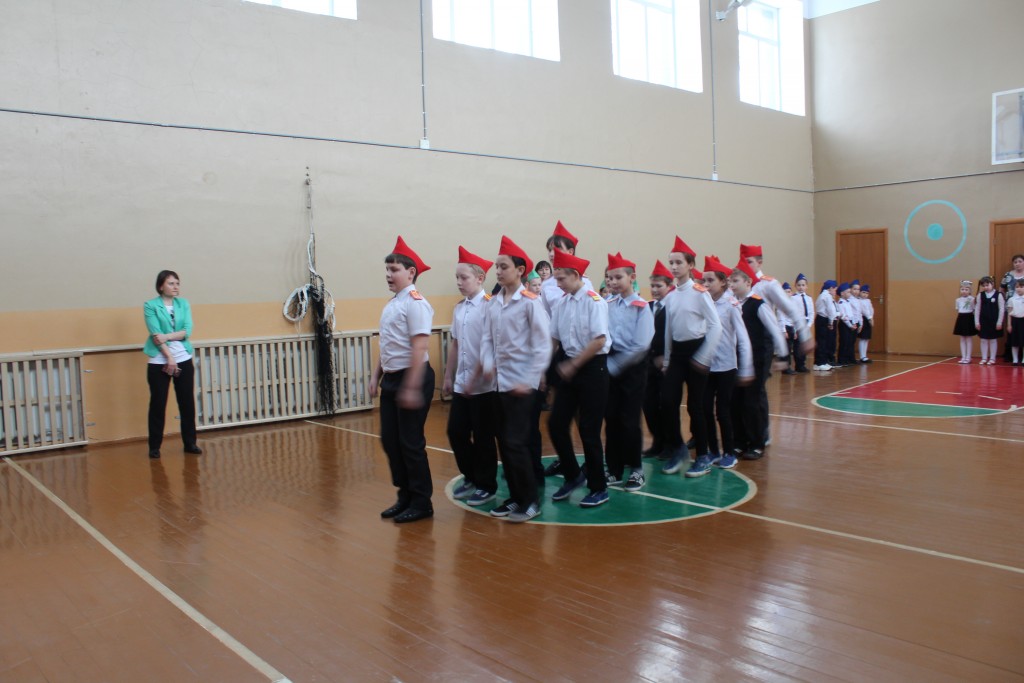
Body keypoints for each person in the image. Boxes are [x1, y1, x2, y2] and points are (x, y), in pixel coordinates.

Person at [478, 236, 552, 523]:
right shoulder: (494, 303)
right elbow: (487, 339)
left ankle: (530, 500)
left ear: (520, 270)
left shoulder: (530, 303)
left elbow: (542, 344)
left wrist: (529, 379)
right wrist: (488, 365)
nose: (498, 271)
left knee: (516, 442)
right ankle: (515, 496)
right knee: (504, 442)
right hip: (499, 384)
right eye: (497, 266)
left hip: (522, 386)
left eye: (503, 266)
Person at [371, 236, 436, 524]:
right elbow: (388, 345)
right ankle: (405, 495)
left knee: (410, 442)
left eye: (394, 269)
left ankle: (421, 502)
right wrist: (376, 376)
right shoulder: (392, 303)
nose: (388, 274)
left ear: (410, 273)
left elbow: (419, 346)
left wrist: (411, 386)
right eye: (387, 269)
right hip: (392, 378)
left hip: (413, 376)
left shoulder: (415, 303)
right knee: (390, 440)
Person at [548, 248, 612, 508]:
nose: (558, 284)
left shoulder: (594, 302)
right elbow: (553, 339)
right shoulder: (562, 303)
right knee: (556, 424)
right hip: (569, 366)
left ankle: (599, 487)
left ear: (575, 275)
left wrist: (573, 365)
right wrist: (541, 368)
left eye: (561, 278)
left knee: (588, 430)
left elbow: (599, 340)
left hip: (592, 369)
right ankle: (573, 475)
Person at [443, 246, 499, 508]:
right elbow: (455, 344)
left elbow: (493, 347)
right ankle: (471, 476)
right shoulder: (459, 309)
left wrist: (480, 375)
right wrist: (448, 375)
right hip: (461, 383)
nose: (459, 282)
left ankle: (487, 485)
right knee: (456, 431)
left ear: (480, 278)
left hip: (484, 386)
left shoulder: (489, 306)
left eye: (463, 277)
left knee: (484, 436)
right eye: (457, 277)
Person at [660, 236, 721, 476]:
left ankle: (703, 455)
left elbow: (715, 326)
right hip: (677, 354)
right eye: (671, 263)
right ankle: (679, 449)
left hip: (697, 353)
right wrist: (667, 359)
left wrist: (704, 356)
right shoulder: (671, 296)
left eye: (679, 262)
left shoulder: (700, 293)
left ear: (690, 265)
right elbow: (668, 330)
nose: (674, 267)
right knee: (667, 402)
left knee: (696, 407)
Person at [603, 252, 655, 491]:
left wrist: (614, 365)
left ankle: (636, 468)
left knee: (630, 419)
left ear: (632, 278)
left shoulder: (641, 307)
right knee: (611, 418)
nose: (613, 282)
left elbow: (641, 345)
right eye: (610, 278)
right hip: (610, 365)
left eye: (618, 277)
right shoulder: (608, 305)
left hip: (633, 369)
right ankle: (614, 468)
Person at [728, 260, 789, 461]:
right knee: (735, 400)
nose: (731, 285)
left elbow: (775, 330)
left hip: (758, 359)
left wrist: (783, 355)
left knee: (752, 401)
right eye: (730, 281)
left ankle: (757, 443)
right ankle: (739, 441)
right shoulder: (733, 304)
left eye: (735, 281)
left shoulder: (758, 304)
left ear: (748, 282)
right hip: (737, 358)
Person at [700, 256, 753, 472]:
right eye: (703, 280)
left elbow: (743, 338)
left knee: (722, 411)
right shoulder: (702, 302)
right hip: (706, 365)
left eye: (710, 280)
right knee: (704, 409)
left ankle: (729, 452)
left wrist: (746, 368)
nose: (705, 284)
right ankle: (713, 450)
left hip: (726, 366)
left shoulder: (731, 305)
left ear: (723, 282)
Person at [144, 270, 201, 459]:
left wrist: (167, 336)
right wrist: (169, 357)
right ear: (161, 286)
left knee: (187, 403)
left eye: (177, 283)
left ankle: (190, 443)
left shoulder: (183, 304)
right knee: (158, 404)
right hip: (159, 360)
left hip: (183, 357)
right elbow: (155, 334)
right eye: (171, 283)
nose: (175, 287)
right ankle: (154, 447)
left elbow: (187, 331)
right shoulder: (150, 305)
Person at [642, 260, 674, 459]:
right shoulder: (648, 307)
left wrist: (667, 357)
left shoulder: (673, 307)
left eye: (658, 286)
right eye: (652, 286)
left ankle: (670, 444)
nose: (654, 290)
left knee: (666, 405)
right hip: (649, 364)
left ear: (669, 286)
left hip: (666, 364)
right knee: (649, 404)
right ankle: (657, 441)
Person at [974, 276, 1004, 365]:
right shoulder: (980, 295)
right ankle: (984, 358)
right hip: (983, 321)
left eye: (987, 285)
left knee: (993, 340)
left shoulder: (998, 295)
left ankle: (992, 358)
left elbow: (1002, 309)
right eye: (983, 286)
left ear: (992, 284)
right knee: (983, 340)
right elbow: (977, 309)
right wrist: (977, 322)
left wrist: (999, 322)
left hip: (994, 321)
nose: (985, 287)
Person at [999, 254, 1024, 361]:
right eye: (1015, 262)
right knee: (1012, 330)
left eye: (1020, 261)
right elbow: (1001, 289)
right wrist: (1003, 300)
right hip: (1011, 307)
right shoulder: (1008, 275)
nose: (1017, 264)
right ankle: (1011, 356)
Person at [813, 280, 838, 371]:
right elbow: (830, 310)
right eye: (835, 289)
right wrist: (831, 322)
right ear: (831, 288)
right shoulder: (827, 296)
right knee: (822, 342)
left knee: (821, 341)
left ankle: (820, 362)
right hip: (823, 319)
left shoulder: (821, 295)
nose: (835, 292)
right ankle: (820, 363)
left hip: (820, 318)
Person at [792, 274, 814, 372]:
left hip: (806, 323)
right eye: (799, 285)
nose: (801, 287)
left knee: (805, 344)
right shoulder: (793, 298)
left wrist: (808, 325)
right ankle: (798, 365)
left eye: (803, 285)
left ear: (806, 286)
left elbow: (811, 313)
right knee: (798, 346)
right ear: (795, 286)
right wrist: (795, 329)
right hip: (798, 323)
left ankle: (803, 364)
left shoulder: (809, 298)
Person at [835, 282, 860, 367]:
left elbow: (851, 314)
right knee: (844, 342)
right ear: (842, 293)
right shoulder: (841, 303)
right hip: (844, 324)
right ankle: (842, 360)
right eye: (848, 292)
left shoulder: (848, 302)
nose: (850, 293)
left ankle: (849, 358)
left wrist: (854, 323)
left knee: (850, 342)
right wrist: (850, 325)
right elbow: (844, 316)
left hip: (851, 323)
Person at [953, 280, 977, 363]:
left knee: (968, 338)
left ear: (970, 291)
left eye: (966, 289)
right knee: (962, 338)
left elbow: (974, 309)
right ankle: (963, 357)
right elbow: (958, 309)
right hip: (961, 318)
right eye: (962, 289)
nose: (964, 291)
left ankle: (968, 357)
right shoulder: (958, 300)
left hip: (969, 317)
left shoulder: (972, 299)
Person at [777, 282, 796, 375]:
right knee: (785, 349)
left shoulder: (792, 303)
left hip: (791, 327)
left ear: (791, 293)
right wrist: (784, 331)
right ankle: (785, 368)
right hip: (785, 329)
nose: (787, 294)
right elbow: (781, 319)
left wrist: (795, 330)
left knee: (789, 348)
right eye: (785, 292)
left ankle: (788, 366)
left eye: (788, 291)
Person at [1006, 279, 1024, 365]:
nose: (1019, 289)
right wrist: (1009, 324)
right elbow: (1009, 313)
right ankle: (1015, 359)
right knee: (1014, 341)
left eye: (1021, 287)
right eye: (1017, 287)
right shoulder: (1011, 299)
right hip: (1015, 321)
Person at [857, 283, 874, 363]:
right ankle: (862, 356)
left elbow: (871, 309)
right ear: (860, 292)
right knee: (863, 338)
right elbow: (864, 310)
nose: (865, 294)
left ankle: (865, 355)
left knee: (866, 338)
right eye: (863, 292)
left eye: (867, 293)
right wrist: (870, 318)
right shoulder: (859, 301)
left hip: (868, 319)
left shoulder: (868, 301)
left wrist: (871, 317)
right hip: (863, 319)